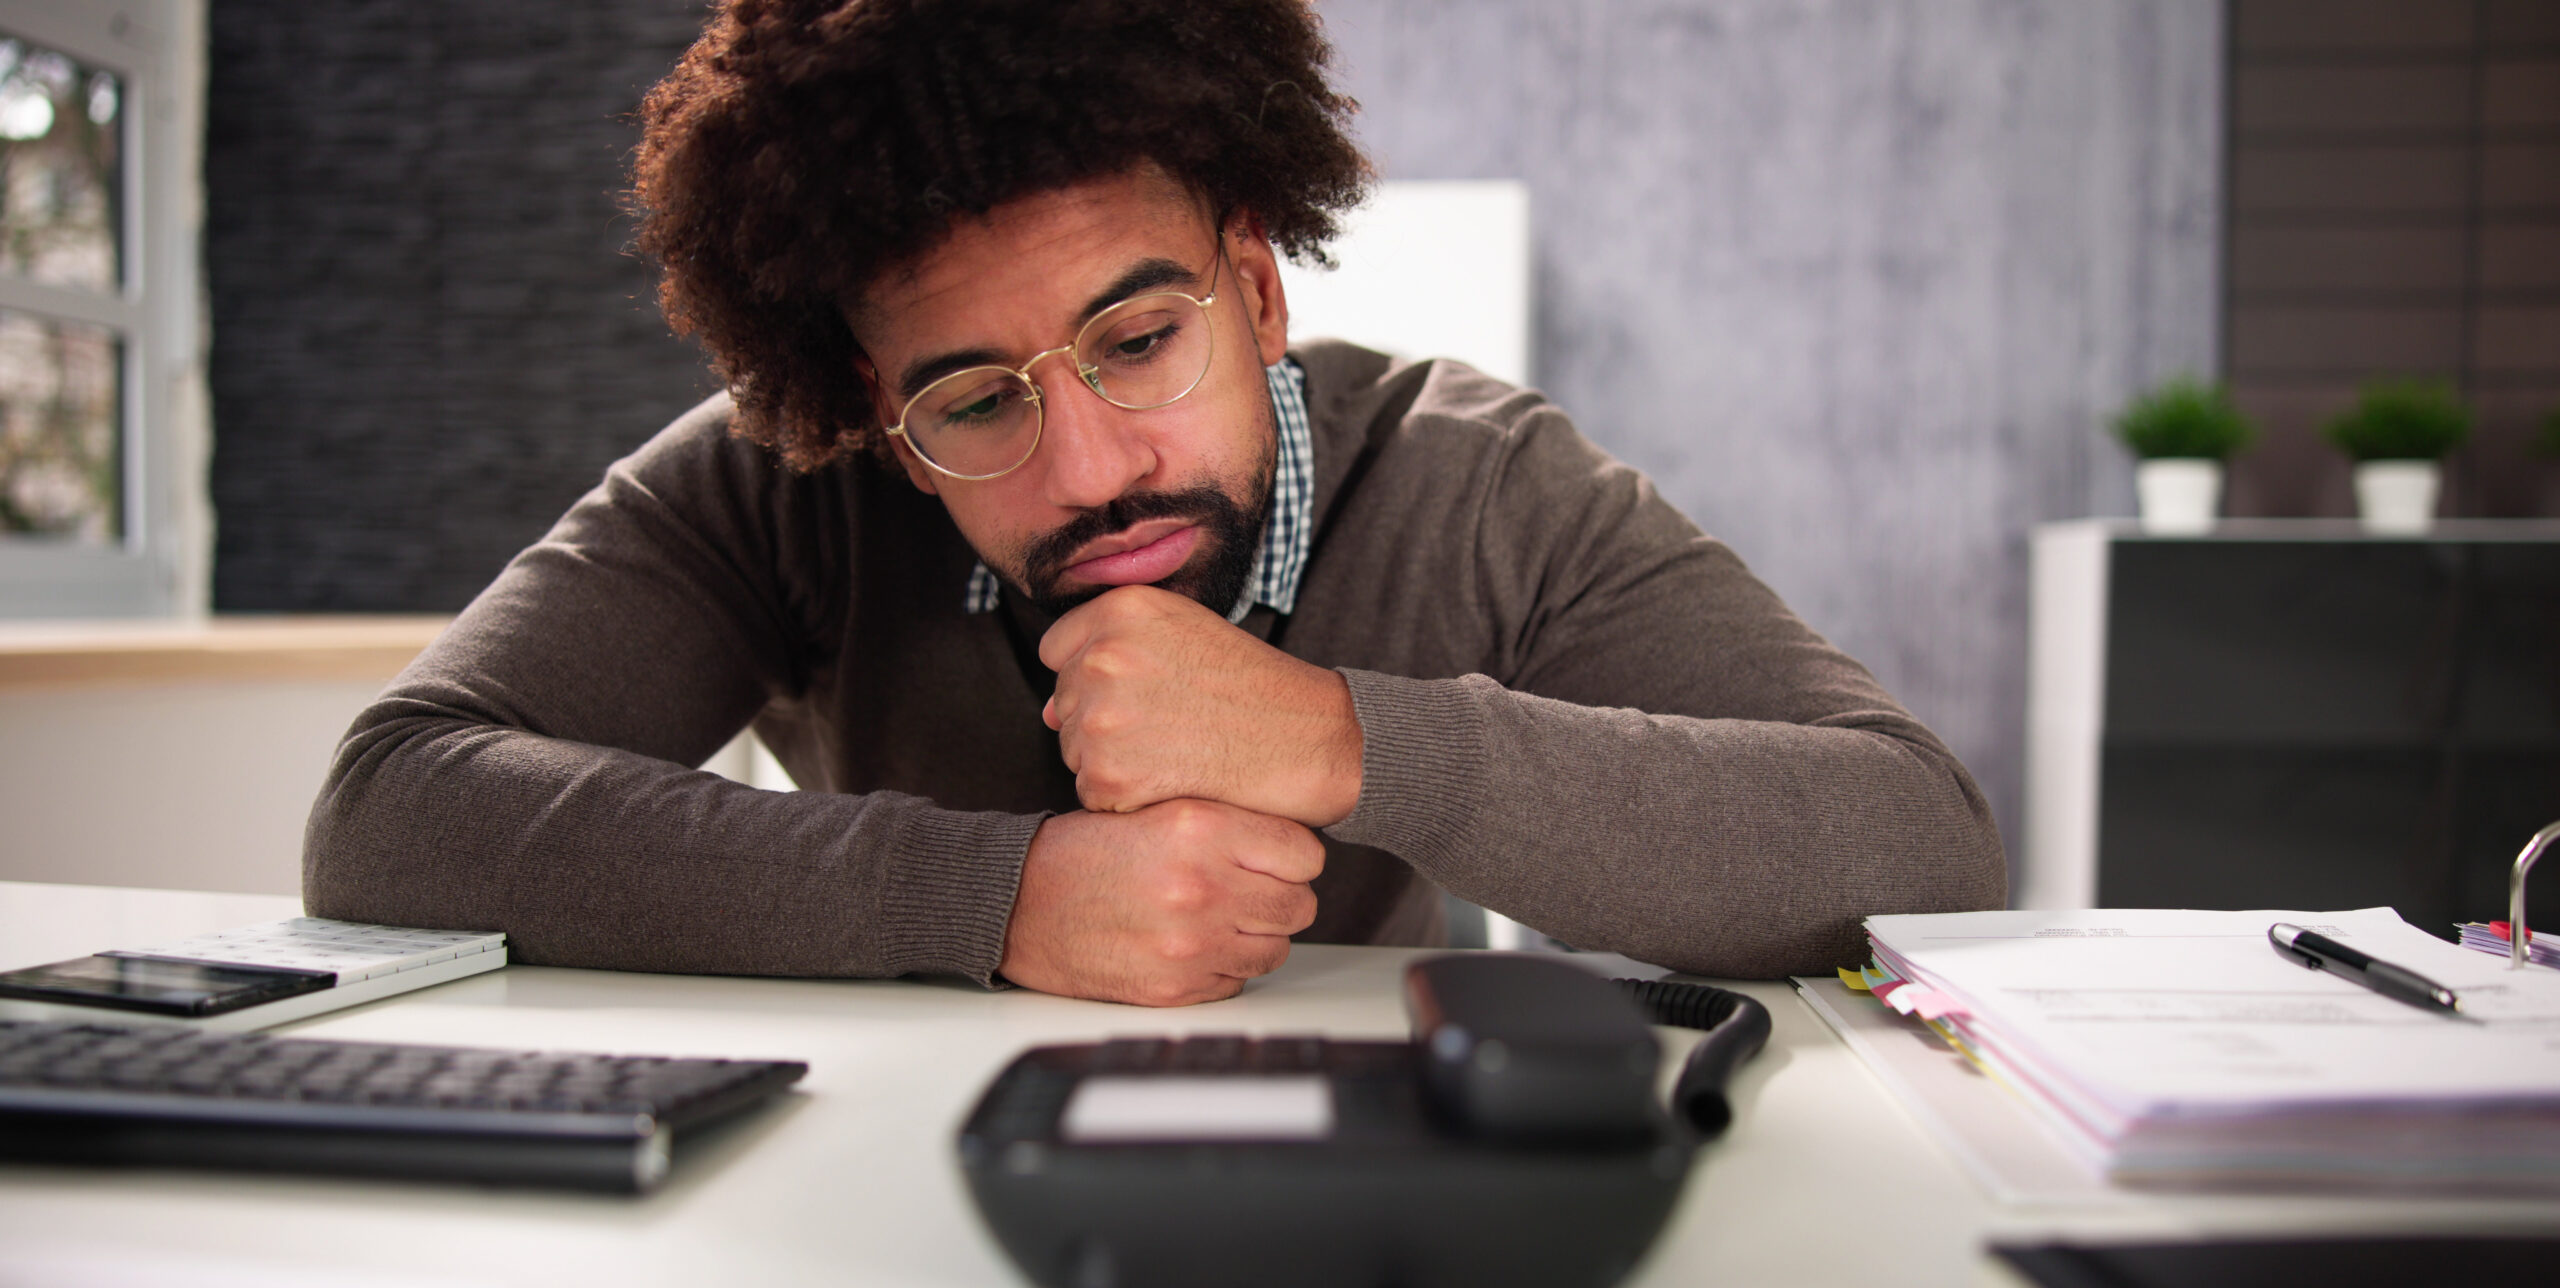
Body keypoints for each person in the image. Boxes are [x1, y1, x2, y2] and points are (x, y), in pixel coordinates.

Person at [303, 0, 2005, 1006]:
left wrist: (1346, 740)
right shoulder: (783, 481)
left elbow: (1920, 849)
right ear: (880, 422)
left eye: (1138, 337)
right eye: (971, 400)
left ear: (1256, 294)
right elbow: (392, 810)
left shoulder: (1471, 476)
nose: (1091, 465)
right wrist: (988, 895)